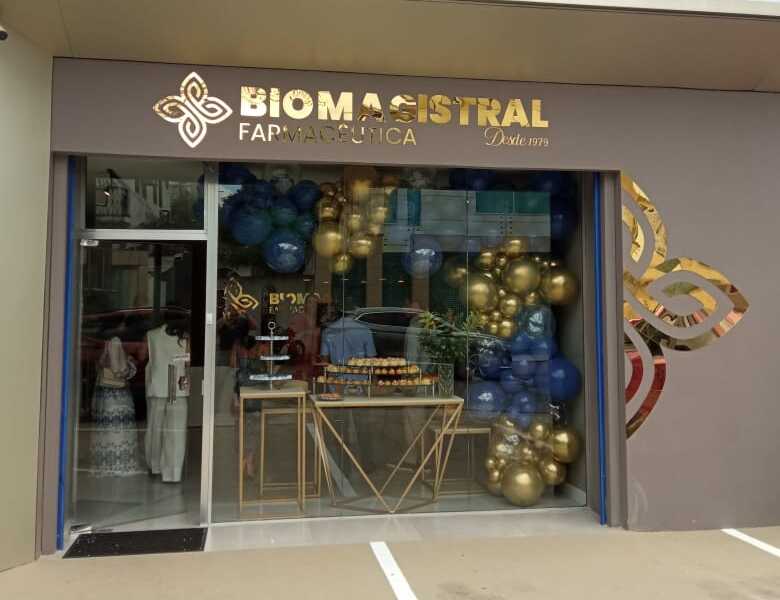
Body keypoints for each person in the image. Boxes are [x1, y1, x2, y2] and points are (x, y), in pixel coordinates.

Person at [88, 335, 145, 477]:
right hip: (117, 398)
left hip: (104, 396)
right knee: (118, 432)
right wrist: (130, 364)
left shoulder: (104, 346)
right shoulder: (116, 342)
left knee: (106, 432)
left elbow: (101, 366)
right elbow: (119, 370)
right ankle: (118, 466)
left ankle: (106, 464)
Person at [142, 316, 190, 483]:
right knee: (176, 433)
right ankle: (172, 473)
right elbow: (187, 362)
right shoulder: (185, 338)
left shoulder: (151, 335)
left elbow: (143, 356)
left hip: (159, 387)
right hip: (176, 387)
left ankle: (154, 465)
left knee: (155, 429)